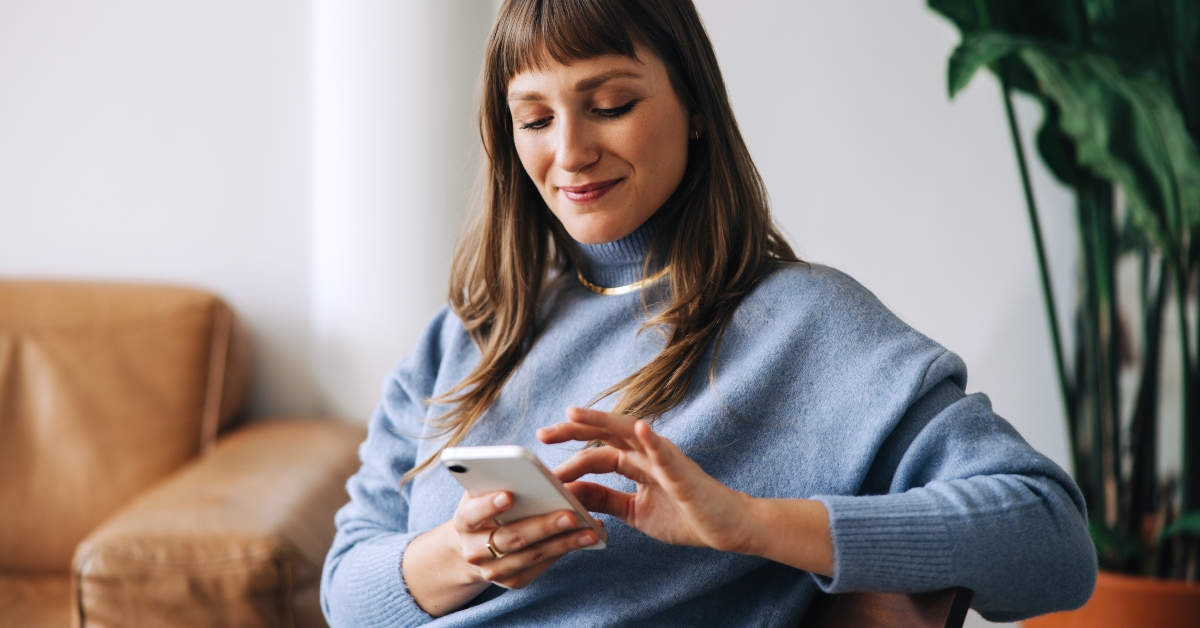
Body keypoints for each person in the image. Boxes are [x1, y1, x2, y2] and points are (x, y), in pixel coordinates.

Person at [320, 0, 1097, 625]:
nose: (571, 151)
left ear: (694, 105)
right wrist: (461, 555)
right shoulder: (470, 334)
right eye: (535, 118)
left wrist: (752, 525)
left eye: (610, 103)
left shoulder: (805, 326)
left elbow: (1052, 539)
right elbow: (345, 594)